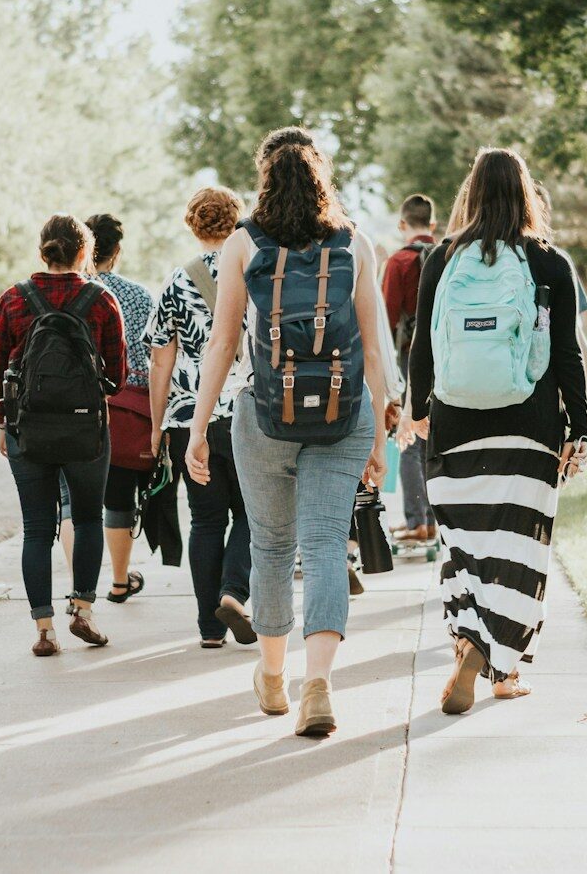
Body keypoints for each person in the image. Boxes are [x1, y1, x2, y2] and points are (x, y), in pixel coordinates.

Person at [186, 127, 389, 738]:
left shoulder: (243, 242)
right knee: (324, 545)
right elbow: (374, 348)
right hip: (343, 414)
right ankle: (318, 684)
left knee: (272, 547)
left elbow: (222, 343)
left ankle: (273, 678)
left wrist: (199, 428)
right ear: (322, 176)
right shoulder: (356, 241)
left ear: (265, 178)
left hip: (264, 416)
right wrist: (379, 437)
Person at [409, 148, 587, 711]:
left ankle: (468, 642)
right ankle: (503, 670)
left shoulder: (442, 258)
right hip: (530, 429)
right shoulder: (551, 262)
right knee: (519, 550)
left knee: (464, 547)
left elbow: (422, 344)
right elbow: (567, 354)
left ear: (471, 194)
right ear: (526, 195)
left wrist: (418, 408)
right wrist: (578, 429)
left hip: (455, 426)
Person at [0, 213, 127, 656]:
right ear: (85, 253)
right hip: (86, 429)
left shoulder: (13, 299)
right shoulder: (101, 300)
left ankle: (44, 630)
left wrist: (3, 422)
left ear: (42, 251)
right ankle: (83, 610)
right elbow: (117, 377)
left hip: (27, 429)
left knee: (36, 528)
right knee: (86, 519)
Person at [145, 187, 256, 649]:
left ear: (193, 225)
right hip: (246, 412)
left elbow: (160, 361)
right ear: (236, 221)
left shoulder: (176, 281)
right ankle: (234, 591)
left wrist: (157, 427)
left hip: (190, 419)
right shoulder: (253, 269)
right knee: (253, 513)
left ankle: (210, 629)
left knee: (206, 521)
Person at [56, 213, 154, 606]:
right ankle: (118, 580)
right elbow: (148, 360)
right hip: (125, 411)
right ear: (116, 252)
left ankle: (78, 586)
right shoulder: (138, 296)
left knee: (70, 502)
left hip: (70, 408)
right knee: (119, 498)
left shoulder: (64, 292)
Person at [380, 193, 438, 541]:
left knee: (409, 437)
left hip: (407, 357)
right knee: (433, 434)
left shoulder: (398, 262)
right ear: (433, 224)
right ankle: (434, 519)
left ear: (403, 224)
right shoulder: (447, 255)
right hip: (443, 357)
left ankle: (417, 521)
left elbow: (386, 319)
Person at [533, 183, 587, 431]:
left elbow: (575, 331)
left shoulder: (557, 262)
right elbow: (574, 334)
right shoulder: (556, 263)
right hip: (546, 385)